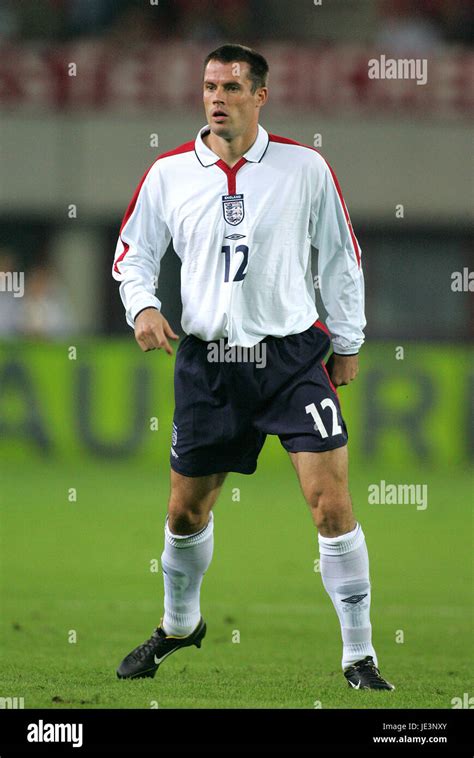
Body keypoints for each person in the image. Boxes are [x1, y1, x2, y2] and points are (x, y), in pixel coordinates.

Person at [112, 44, 394, 691]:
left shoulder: (303, 168)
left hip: (291, 358)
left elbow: (341, 257)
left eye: (233, 86)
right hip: (209, 363)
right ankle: (180, 624)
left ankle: (360, 656)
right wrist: (143, 307)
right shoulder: (170, 173)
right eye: (210, 85)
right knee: (185, 513)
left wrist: (346, 341)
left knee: (330, 505)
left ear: (260, 96)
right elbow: (133, 254)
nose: (217, 97)